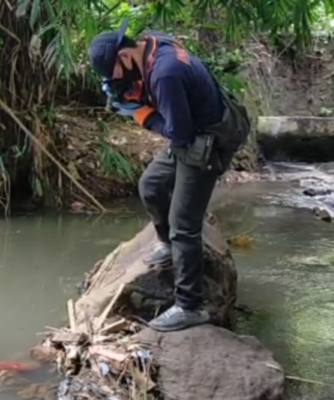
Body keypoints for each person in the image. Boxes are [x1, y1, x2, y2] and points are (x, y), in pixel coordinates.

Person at [88, 20, 250, 332]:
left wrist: (143, 114)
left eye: (115, 74)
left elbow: (179, 132)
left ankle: (191, 306)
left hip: (206, 142)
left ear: (124, 56)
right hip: (193, 133)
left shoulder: (165, 73)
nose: (116, 82)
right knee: (150, 185)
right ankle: (166, 243)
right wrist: (138, 92)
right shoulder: (151, 43)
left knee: (184, 224)